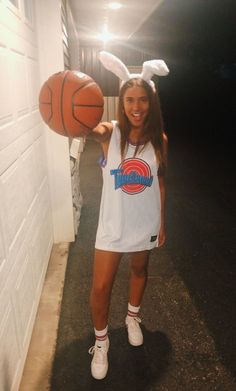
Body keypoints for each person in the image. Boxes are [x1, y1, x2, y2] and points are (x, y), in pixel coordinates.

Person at [88, 51, 169, 380]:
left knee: (140, 267)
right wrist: (72, 117)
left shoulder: (160, 139)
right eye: (130, 100)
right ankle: (101, 341)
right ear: (121, 103)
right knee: (101, 286)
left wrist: (162, 221)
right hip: (113, 224)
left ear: (152, 101)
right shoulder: (111, 133)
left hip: (145, 221)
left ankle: (132, 316)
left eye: (143, 100)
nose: (137, 107)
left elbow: (162, 181)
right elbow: (90, 129)